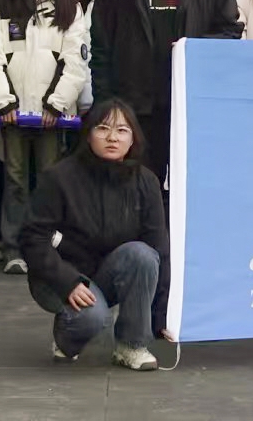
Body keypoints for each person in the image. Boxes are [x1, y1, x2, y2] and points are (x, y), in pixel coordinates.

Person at [89, 0, 242, 187]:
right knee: (136, 188)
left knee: (193, 188)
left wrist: (190, 49)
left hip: (189, 104)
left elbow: (229, 32)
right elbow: (102, 45)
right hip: (134, 106)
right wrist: (107, 105)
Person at [18, 99, 168, 371]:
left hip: (107, 273)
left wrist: (162, 316)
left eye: (122, 130)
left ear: (133, 138)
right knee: (92, 317)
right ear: (88, 135)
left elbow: (160, 248)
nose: (112, 138)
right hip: (60, 275)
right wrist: (67, 282)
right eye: (103, 128)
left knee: (143, 254)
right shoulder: (59, 177)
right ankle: (66, 339)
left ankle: (131, 345)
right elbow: (32, 238)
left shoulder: (146, 181)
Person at [0, 0, 91, 274]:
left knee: (48, 179)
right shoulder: (1, 3)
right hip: (12, 112)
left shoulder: (68, 3)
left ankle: (44, 247)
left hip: (51, 114)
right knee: (14, 178)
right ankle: (13, 248)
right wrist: (4, 103)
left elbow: (76, 61)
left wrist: (56, 103)